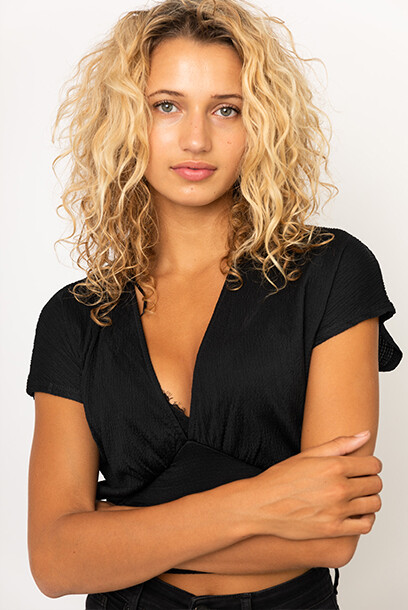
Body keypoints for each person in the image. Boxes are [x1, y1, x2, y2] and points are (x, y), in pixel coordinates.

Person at [25, 1, 403, 609]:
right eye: (166, 106)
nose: (196, 139)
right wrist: (264, 502)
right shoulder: (75, 317)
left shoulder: (331, 272)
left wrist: (117, 531)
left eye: (227, 109)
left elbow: (331, 537)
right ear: (125, 120)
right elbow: (53, 561)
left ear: (262, 123)